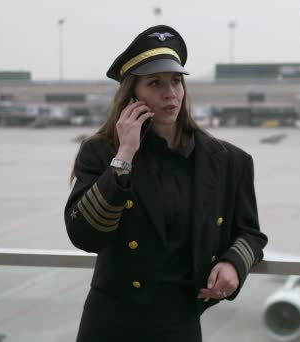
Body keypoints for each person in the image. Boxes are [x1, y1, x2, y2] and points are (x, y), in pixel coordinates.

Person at [64, 25, 267, 341]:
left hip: (180, 318)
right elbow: (84, 236)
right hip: (112, 317)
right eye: (155, 83)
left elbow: (251, 234)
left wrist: (233, 265)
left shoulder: (229, 161)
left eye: (176, 81)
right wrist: (125, 155)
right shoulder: (101, 152)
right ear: (132, 95)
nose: (170, 93)